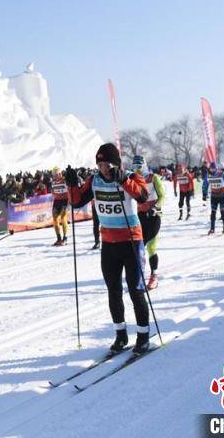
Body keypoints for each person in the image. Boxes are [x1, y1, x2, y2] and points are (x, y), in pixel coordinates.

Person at [66, 143, 150, 355]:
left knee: (136, 290)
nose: (102, 168)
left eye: (106, 164)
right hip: (109, 243)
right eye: (99, 164)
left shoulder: (130, 176)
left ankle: (143, 335)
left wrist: (122, 179)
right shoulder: (94, 180)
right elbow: (76, 202)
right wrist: (70, 185)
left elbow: (142, 196)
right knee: (113, 291)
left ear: (115, 164)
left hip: (132, 242)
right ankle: (121, 335)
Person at [131, 155, 164, 290]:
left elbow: (162, 196)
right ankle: (138, 275)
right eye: (134, 167)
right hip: (139, 217)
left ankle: (154, 275)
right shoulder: (132, 180)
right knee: (138, 248)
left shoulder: (153, 178)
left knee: (151, 247)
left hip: (153, 216)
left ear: (144, 166)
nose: (137, 170)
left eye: (139, 167)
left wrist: (156, 207)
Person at [202, 162, 224, 235]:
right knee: (213, 212)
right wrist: (204, 194)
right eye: (211, 169)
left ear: (216, 168)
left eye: (214, 168)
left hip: (222, 195)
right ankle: (212, 228)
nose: (212, 170)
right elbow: (205, 185)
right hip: (214, 196)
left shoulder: (221, 174)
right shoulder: (208, 175)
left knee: (222, 211)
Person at [50, 168, 70, 246]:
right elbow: (52, 190)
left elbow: (70, 188)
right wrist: (54, 194)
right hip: (57, 201)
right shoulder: (53, 182)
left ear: (60, 173)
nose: (56, 176)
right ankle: (59, 238)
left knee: (63, 218)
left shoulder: (65, 180)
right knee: (55, 219)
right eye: (55, 174)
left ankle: (65, 238)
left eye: (58, 174)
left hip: (65, 201)